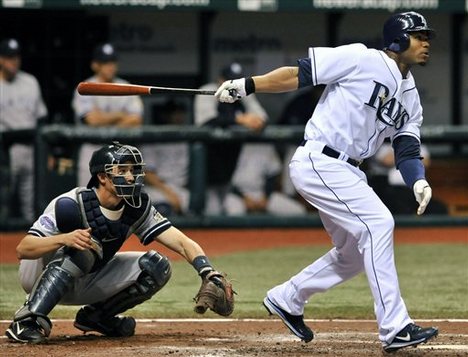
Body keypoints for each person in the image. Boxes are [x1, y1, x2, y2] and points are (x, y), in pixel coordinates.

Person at [215, 11, 438, 353]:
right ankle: (396, 328)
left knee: (351, 254)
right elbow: (298, 74)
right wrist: (248, 85)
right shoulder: (361, 58)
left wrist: (418, 181)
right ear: (399, 39)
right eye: (419, 36)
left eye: (427, 37)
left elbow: (407, 147)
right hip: (321, 160)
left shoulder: (411, 97)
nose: (426, 43)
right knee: (379, 224)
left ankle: (287, 298)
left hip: (349, 170)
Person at [5, 142, 230, 344]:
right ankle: (28, 320)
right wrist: (64, 238)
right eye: (122, 171)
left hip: (87, 276)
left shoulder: (136, 205)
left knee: (156, 266)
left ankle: (97, 317)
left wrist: (207, 271)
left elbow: (180, 241)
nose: (131, 177)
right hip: (39, 276)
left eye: (133, 170)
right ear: (103, 177)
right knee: (83, 248)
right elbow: (23, 249)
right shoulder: (70, 204)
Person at [194, 62, 267, 215]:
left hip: (231, 165)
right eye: (229, 80)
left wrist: (255, 120)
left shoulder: (242, 92)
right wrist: (239, 119)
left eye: (236, 80)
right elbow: (206, 121)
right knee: (210, 212)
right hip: (208, 165)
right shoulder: (208, 90)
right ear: (220, 80)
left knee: (234, 211)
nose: (233, 84)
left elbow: (262, 117)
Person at [72, 43, 143, 187]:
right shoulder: (86, 87)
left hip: (120, 151)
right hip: (92, 150)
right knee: (88, 200)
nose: (110, 66)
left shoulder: (126, 86)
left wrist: (104, 119)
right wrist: (121, 115)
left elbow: (136, 120)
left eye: (112, 62)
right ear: (95, 65)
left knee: (122, 200)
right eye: (105, 62)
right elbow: (92, 120)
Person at [0, 38, 48, 222]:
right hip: (5, 151)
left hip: (31, 149)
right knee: (3, 203)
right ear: (1, 59)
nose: (14, 61)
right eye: (9, 57)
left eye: (16, 56)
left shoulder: (30, 82)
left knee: (32, 205)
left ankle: (32, 244)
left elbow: (41, 117)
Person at [225, 143, 307, 216]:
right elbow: (226, 178)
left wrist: (265, 197)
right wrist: (244, 198)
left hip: (262, 194)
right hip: (236, 195)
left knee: (298, 211)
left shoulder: (267, 146)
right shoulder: (235, 146)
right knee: (235, 214)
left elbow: (272, 175)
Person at [367, 142, 448, 215]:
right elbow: (387, 160)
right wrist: (411, 157)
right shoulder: (383, 145)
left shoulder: (418, 144)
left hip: (416, 188)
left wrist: (401, 157)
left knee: (439, 209)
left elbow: (425, 162)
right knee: (400, 209)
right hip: (391, 190)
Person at [143, 100, 191, 216]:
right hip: (158, 189)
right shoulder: (153, 139)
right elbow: (148, 173)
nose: (179, 116)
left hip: (182, 190)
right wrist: (169, 194)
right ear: (165, 115)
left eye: (181, 113)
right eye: (175, 113)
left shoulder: (188, 138)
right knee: (162, 210)